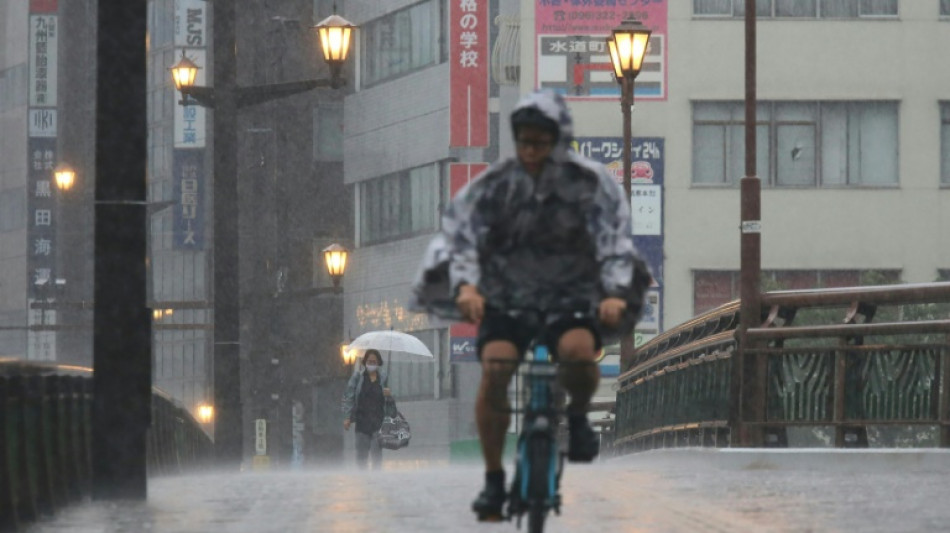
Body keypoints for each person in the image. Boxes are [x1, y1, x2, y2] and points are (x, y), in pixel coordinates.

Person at [410, 89, 649, 521]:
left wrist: (613, 294)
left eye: (541, 143)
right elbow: (465, 240)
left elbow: (613, 245)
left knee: (578, 352)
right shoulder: (495, 189)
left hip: (568, 297)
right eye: (525, 142)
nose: (532, 151)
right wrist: (466, 287)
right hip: (508, 300)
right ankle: (493, 479)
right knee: (497, 367)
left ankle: (577, 418)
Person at [341, 349, 392, 470]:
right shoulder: (358, 377)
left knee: (377, 457)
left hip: (378, 424)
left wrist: (388, 395)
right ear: (364, 362)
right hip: (362, 423)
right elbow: (348, 396)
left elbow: (390, 403)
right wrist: (347, 417)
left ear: (378, 363)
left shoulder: (383, 378)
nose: (371, 364)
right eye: (369, 361)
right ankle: (363, 482)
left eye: (374, 361)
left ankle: (376, 482)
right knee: (361, 459)